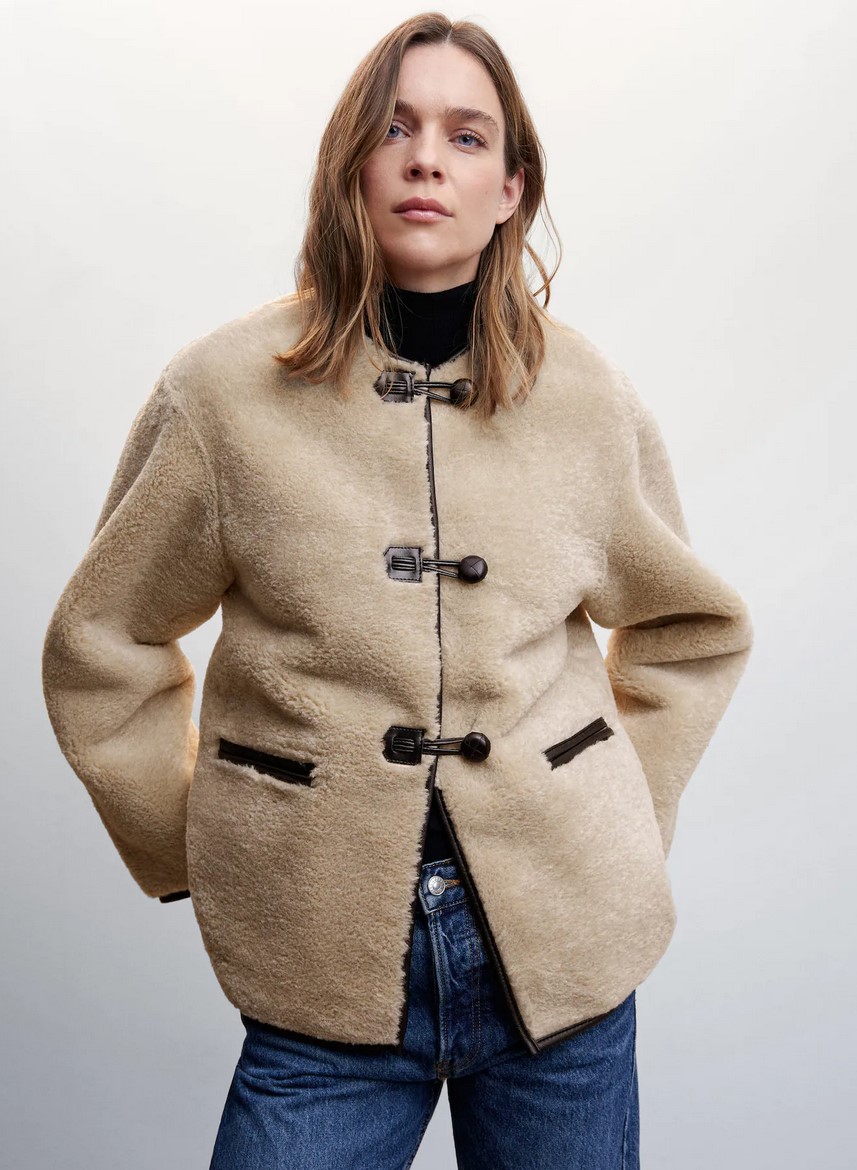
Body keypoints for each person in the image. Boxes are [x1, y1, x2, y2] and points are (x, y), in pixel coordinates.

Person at [41, 13, 754, 1169]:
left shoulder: (583, 400)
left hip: (565, 955)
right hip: (314, 956)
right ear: (350, 166)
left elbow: (692, 627)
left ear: (510, 188)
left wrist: (618, 804)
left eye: (466, 136)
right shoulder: (221, 397)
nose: (427, 159)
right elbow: (102, 639)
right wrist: (185, 844)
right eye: (395, 129)